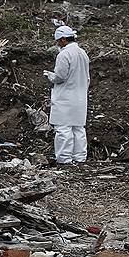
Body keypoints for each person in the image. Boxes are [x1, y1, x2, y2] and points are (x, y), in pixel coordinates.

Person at [44, 25, 90, 164]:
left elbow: (61, 76)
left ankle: (64, 159)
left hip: (65, 97)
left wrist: (50, 76)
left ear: (63, 39)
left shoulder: (64, 54)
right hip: (80, 97)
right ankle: (80, 157)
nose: (58, 44)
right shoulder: (83, 53)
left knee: (63, 129)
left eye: (58, 41)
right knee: (78, 129)